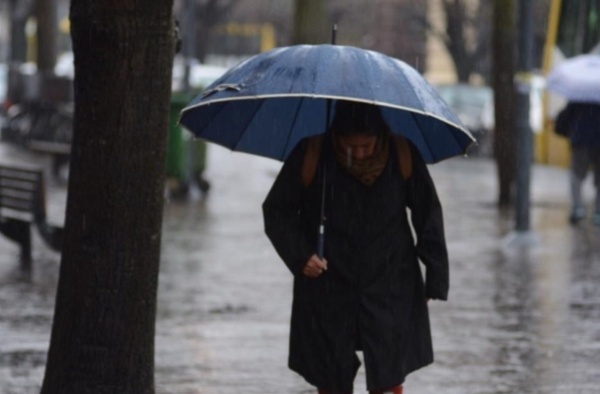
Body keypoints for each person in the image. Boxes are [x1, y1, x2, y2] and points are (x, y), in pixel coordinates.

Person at [262, 101, 449, 393]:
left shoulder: (402, 153)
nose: (360, 152)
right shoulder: (313, 153)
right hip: (328, 285)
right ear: (337, 137)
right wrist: (301, 256)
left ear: (381, 136)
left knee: (389, 370)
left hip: (390, 281)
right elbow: (277, 211)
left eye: (367, 145)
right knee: (331, 372)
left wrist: (434, 279)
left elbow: (428, 215)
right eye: (352, 146)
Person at [555, 102, 600, 225]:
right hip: (592, 141)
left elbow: (563, 119)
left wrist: (570, 132)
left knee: (576, 175)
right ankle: (597, 210)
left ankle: (578, 207)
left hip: (581, 140)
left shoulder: (579, 96)